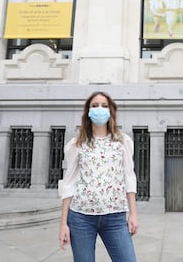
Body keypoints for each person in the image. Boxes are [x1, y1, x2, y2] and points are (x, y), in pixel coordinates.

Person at [59, 91, 139, 262]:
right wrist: (63, 224)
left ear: (111, 111)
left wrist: (133, 213)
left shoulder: (122, 141)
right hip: (81, 218)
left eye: (104, 105)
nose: (99, 109)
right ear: (88, 111)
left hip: (115, 217)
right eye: (94, 106)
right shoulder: (76, 144)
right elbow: (69, 182)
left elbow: (129, 177)